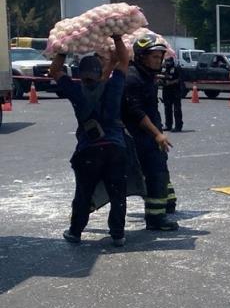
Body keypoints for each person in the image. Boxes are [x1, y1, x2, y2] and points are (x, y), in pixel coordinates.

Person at [51, 36, 131, 246]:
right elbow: (125, 61)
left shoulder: (76, 91)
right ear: (99, 73)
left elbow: (55, 71)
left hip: (89, 150)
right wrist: (117, 38)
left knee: (83, 193)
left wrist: (62, 50)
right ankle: (118, 235)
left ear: (79, 74)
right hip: (115, 148)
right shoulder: (113, 87)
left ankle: (75, 232)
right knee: (117, 195)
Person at [124, 33, 178, 231]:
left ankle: (165, 207)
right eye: (154, 57)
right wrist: (157, 134)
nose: (158, 61)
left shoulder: (148, 77)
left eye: (160, 57)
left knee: (159, 172)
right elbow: (135, 111)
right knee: (154, 173)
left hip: (150, 137)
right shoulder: (132, 78)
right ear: (141, 57)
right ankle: (155, 219)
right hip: (138, 138)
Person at [159, 53, 184, 132]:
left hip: (175, 90)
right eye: (166, 62)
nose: (167, 63)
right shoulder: (163, 68)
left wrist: (171, 82)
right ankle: (168, 125)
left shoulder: (176, 68)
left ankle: (178, 126)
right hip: (166, 90)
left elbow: (180, 79)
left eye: (169, 61)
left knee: (177, 109)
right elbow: (161, 76)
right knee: (167, 108)